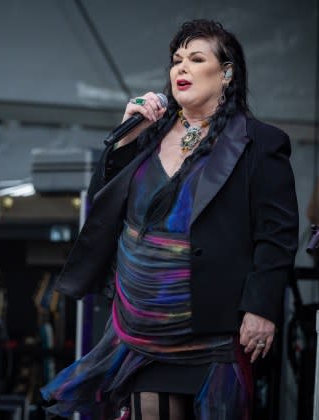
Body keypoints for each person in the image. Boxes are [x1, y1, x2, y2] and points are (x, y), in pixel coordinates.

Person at [41, 19, 298, 420]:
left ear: (226, 73)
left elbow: (277, 235)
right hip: (141, 330)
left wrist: (261, 308)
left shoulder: (258, 142)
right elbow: (103, 205)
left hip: (211, 329)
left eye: (196, 59)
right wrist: (126, 137)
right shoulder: (148, 132)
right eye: (177, 60)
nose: (181, 68)